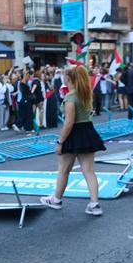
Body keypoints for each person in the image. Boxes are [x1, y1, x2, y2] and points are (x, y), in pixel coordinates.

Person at [40, 65, 106, 216]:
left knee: (64, 170)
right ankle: (94, 204)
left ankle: (56, 200)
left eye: (64, 75)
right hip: (87, 130)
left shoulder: (70, 97)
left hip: (74, 133)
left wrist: (60, 142)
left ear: (68, 78)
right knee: (89, 171)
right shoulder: (85, 93)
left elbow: (69, 122)